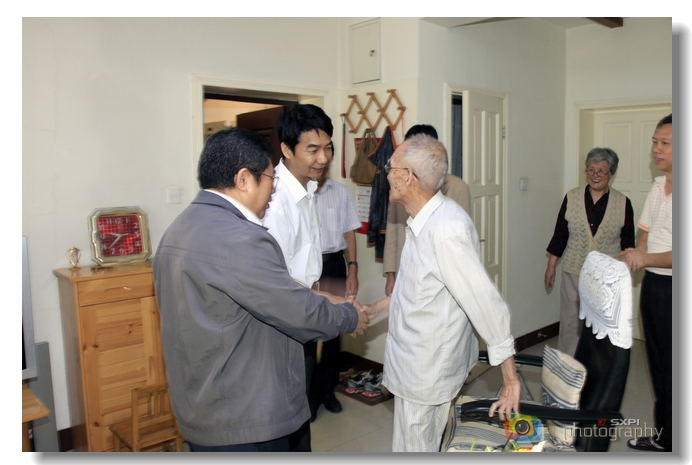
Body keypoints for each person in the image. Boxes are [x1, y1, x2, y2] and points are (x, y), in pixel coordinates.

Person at [153, 127, 368, 452]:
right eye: (271, 178)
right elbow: (299, 313)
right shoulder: (241, 239)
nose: (273, 188)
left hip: (202, 408)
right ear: (244, 179)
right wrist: (350, 316)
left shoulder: (178, 229)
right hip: (246, 417)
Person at [360, 134, 520, 452]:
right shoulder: (423, 221)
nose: (386, 175)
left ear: (408, 176)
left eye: (391, 168)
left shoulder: (446, 230)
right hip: (418, 364)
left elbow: (485, 303)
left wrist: (511, 379)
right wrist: (373, 309)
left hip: (427, 371)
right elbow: (418, 290)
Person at [261, 103, 334, 449]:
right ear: (287, 150)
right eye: (313, 149)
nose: (323, 158)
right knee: (284, 421)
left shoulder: (307, 190)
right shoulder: (275, 201)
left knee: (298, 416)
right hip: (282, 323)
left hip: (300, 315)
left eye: (328, 148)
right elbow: (276, 281)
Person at [545, 147, 635, 356]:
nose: (595, 175)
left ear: (611, 174)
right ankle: (568, 366)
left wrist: (624, 277)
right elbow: (560, 234)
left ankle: (597, 368)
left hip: (607, 278)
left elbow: (628, 245)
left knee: (602, 326)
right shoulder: (572, 197)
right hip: (574, 272)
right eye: (591, 169)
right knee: (570, 323)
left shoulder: (623, 203)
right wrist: (551, 266)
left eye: (601, 170)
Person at [621, 114, 673, 452]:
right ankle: (666, 437)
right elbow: (645, 233)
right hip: (654, 286)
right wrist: (637, 255)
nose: (656, 149)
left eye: (665, 143)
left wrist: (645, 258)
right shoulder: (658, 186)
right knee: (658, 366)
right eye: (655, 141)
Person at [383, 124, 471, 296]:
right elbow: (392, 232)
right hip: (406, 271)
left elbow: (463, 243)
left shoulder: (458, 188)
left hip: (442, 279)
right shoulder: (398, 188)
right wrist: (390, 274)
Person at [309, 160, 362, 421]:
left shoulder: (340, 192)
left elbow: (349, 232)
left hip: (334, 264)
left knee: (333, 330)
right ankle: (307, 396)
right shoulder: (299, 192)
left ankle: (327, 390)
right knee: (308, 331)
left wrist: (353, 268)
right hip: (308, 267)